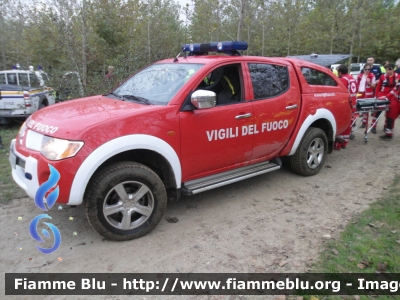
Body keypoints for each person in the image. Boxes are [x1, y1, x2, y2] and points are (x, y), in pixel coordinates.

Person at [334, 64, 357, 150]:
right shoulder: (352, 79)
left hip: (346, 105)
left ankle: (338, 145)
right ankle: (344, 143)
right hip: (353, 104)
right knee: (348, 124)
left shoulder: (343, 80)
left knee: (341, 123)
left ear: (340, 72)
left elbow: (340, 92)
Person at [373, 63, 400, 133]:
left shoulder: (398, 77)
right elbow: (378, 87)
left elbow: (396, 89)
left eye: (390, 69)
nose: (388, 71)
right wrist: (376, 96)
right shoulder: (382, 77)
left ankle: (387, 127)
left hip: (392, 97)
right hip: (382, 96)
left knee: (390, 113)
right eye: (387, 69)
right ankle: (373, 126)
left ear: (393, 70)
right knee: (378, 111)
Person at [356, 63, 376, 128]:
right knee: (357, 108)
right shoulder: (359, 76)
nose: (367, 70)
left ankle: (364, 123)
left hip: (367, 94)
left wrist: (369, 83)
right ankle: (354, 121)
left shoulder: (372, 76)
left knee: (366, 109)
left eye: (369, 69)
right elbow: (357, 84)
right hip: (360, 93)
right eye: (366, 69)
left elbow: (374, 86)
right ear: (363, 69)